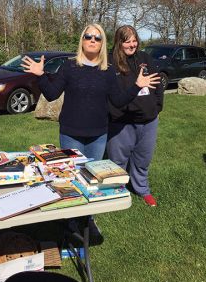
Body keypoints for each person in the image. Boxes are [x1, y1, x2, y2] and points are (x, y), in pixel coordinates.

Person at [21, 24, 160, 161]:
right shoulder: (68, 66)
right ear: (82, 40)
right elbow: (52, 95)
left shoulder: (108, 70)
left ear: (102, 44)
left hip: (98, 135)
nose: (92, 40)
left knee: (92, 177)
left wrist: (137, 86)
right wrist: (41, 75)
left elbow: (118, 101)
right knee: (74, 176)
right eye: (88, 36)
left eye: (97, 38)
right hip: (71, 134)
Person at [107, 25, 164, 207]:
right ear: (118, 42)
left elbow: (158, 84)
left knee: (143, 158)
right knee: (118, 160)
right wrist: (115, 114)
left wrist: (156, 106)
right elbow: (110, 94)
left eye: (134, 40)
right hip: (122, 122)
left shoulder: (145, 58)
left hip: (148, 120)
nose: (132, 45)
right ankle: (117, 190)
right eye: (127, 41)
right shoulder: (110, 62)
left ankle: (142, 189)